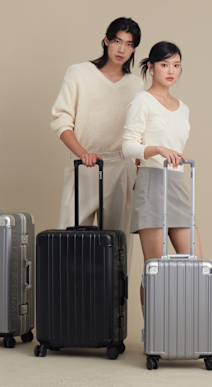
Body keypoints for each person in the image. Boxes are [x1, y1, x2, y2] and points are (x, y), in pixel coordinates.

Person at [50, 17, 144, 272]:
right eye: (117, 41)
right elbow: (61, 120)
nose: (121, 49)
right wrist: (83, 153)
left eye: (129, 44)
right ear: (106, 40)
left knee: (116, 249)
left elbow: (139, 131)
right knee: (68, 243)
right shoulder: (79, 73)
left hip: (121, 168)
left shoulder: (136, 85)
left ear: (134, 49)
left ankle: (112, 298)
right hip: (83, 164)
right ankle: (67, 297)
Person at [122, 41, 203, 308]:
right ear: (151, 67)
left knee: (196, 264)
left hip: (177, 184)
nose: (171, 70)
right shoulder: (142, 100)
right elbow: (127, 146)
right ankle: (154, 329)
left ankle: (184, 326)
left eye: (176, 65)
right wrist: (157, 149)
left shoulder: (183, 108)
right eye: (164, 64)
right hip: (152, 183)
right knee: (155, 269)